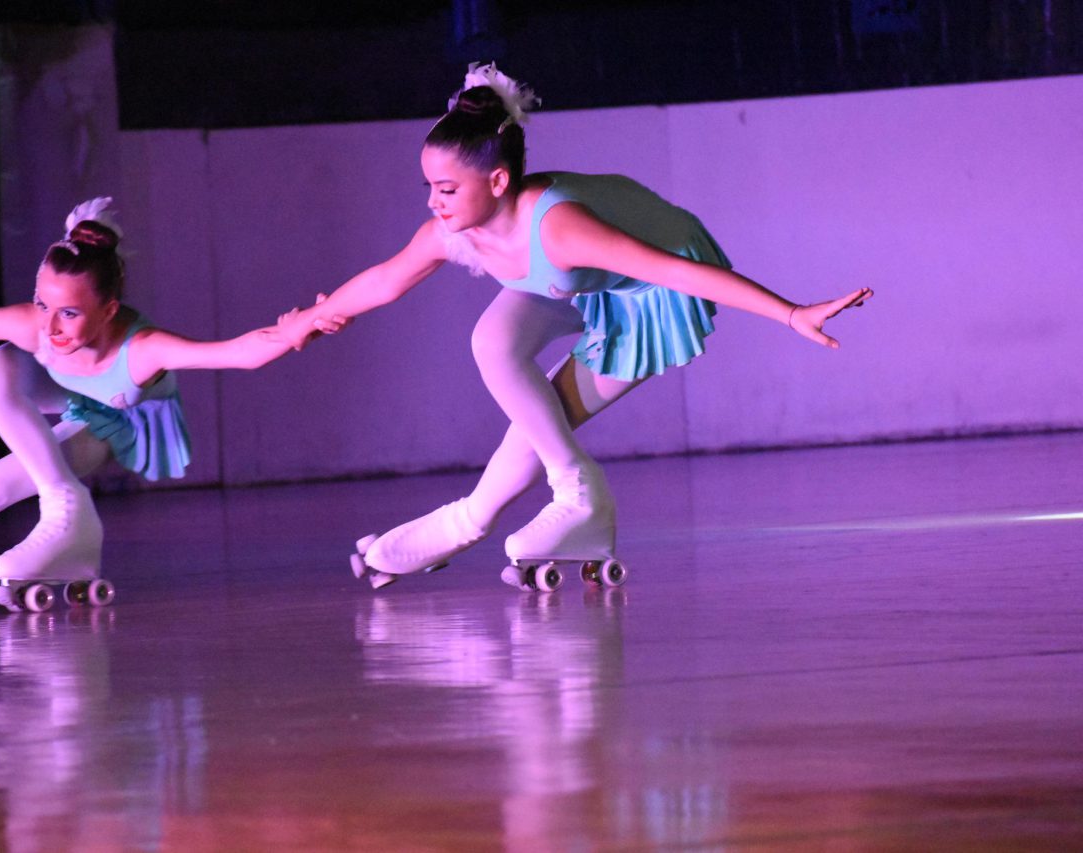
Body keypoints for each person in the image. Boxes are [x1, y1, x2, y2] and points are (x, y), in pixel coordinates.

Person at [279, 63, 873, 590]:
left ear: (497, 182)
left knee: (548, 417)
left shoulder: (561, 229)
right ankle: (484, 516)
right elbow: (386, 279)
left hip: (648, 291)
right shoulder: (454, 228)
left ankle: (536, 507)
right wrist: (305, 321)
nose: (434, 202)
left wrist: (791, 312)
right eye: (429, 187)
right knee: (493, 344)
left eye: (447, 189)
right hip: (576, 280)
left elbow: (676, 272)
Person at [0, 197, 346, 609]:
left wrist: (299, 327)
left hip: (114, 420)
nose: (51, 326)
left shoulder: (143, 349)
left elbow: (236, 354)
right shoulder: (37, 327)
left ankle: (62, 513)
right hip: (65, 395)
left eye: (69, 313)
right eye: (43, 304)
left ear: (109, 310)